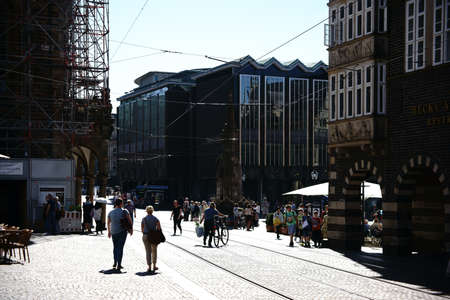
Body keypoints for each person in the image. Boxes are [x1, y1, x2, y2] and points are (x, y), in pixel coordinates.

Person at [107, 198, 133, 271]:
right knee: (120, 248)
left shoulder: (111, 212)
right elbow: (130, 220)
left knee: (115, 247)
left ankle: (115, 262)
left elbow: (108, 222)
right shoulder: (124, 211)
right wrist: (131, 229)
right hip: (122, 231)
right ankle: (119, 264)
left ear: (115, 204)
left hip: (113, 231)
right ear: (121, 204)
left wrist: (109, 232)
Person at [141, 205, 161, 273]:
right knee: (154, 251)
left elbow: (142, 229)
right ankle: (154, 265)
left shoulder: (144, 219)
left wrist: (145, 233)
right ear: (152, 211)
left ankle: (149, 266)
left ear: (146, 211)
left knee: (148, 251)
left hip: (146, 235)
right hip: (154, 237)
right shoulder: (156, 219)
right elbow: (159, 228)